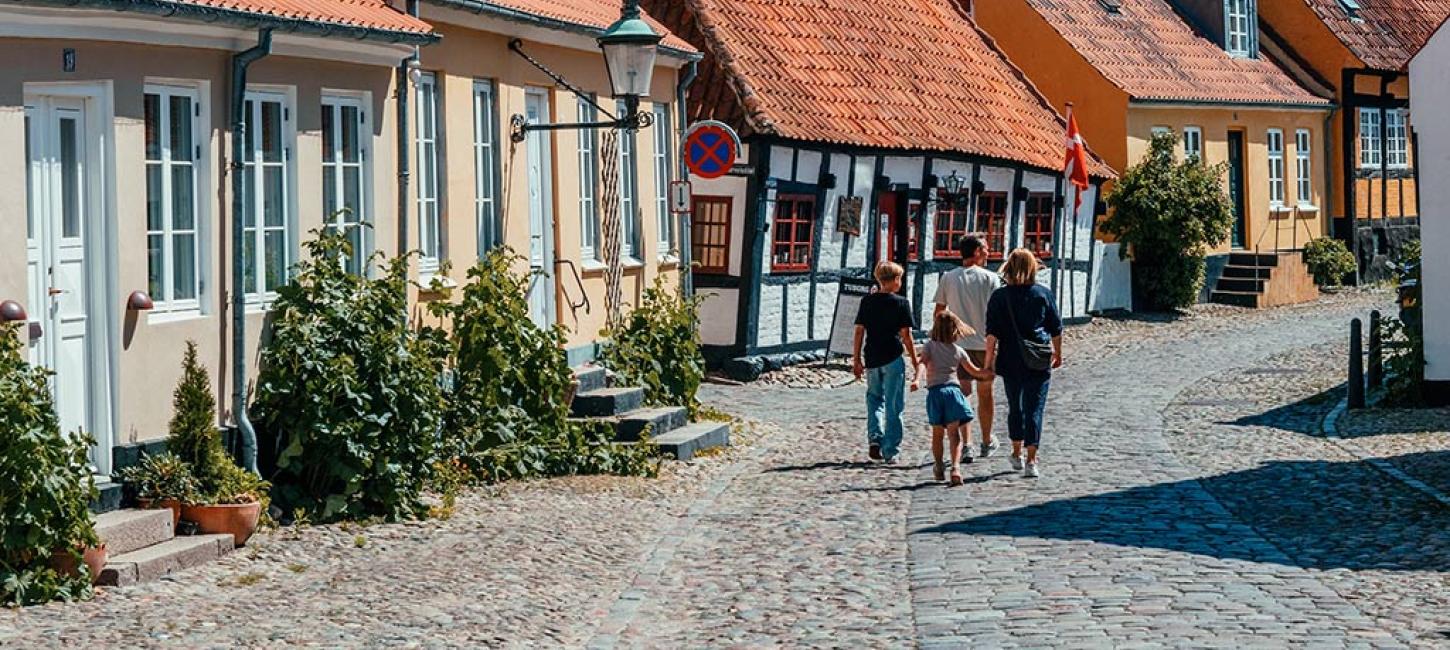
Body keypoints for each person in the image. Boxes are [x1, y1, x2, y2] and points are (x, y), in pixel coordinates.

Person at [983, 249, 1062, 479]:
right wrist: (1058, 353)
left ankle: (1016, 452)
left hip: (1009, 358)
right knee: (1034, 409)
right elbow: (1056, 328)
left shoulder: (1000, 297)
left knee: (1015, 406)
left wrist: (988, 362)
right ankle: (1031, 460)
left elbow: (991, 334)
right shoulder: (1043, 294)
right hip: (1037, 359)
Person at [934, 234, 1004, 459]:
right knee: (986, 394)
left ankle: (967, 445)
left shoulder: (948, 278)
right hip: (985, 345)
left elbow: (940, 313)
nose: (988, 252)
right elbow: (997, 313)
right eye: (984, 248)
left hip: (958, 346)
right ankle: (985, 440)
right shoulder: (991, 279)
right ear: (975, 252)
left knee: (963, 395)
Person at [852, 261, 920, 464]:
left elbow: (859, 331)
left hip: (872, 357)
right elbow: (906, 336)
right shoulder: (901, 303)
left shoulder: (867, 302)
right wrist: (916, 362)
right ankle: (891, 450)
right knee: (894, 404)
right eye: (899, 278)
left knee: (874, 399)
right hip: (892, 358)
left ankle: (875, 438)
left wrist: (856, 359)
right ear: (895, 280)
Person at [919, 310, 993, 486]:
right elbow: (975, 371)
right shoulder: (958, 351)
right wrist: (988, 372)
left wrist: (916, 379)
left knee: (937, 435)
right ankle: (955, 468)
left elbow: (922, 362)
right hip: (953, 393)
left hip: (935, 393)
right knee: (954, 435)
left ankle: (938, 466)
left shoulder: (929, 346)